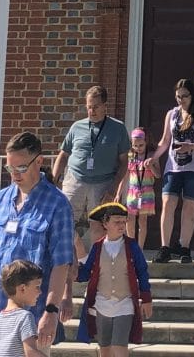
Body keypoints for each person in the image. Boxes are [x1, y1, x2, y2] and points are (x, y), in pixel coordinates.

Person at [0, 131, 75, 357]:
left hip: (30, 321)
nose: (14, 174)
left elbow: (61, 264)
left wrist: (51, 311)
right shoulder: (0, 200)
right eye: (9, 168)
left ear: (39, 161)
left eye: (21, 168)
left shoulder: (58, 204)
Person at [53, 86, 132, 262]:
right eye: (89, 106)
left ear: (105, 106)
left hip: (103, 182)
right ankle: (76, 257)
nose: (92, 110)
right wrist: (54, 179)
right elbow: (63, 155)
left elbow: (124, 163)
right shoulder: (77, 127)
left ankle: (96, 266)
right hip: (75, 179)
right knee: (64, 221)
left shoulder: (118, 129)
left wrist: (113, 188)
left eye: (96, 106)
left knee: (99, 225)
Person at [74, 201, 153, 357]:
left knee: (119, 346)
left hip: (124, 303)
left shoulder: (132, 246)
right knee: (105, 347)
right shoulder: (97, 247)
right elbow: (85, 274)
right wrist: (72, 271)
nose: (121, 225)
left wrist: (146, 298)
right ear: (106, 223)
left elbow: (142, 272)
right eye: (117, 221)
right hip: (101, 304)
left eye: (123, 222)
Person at [152, 77, 194, 263]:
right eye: (178, 96)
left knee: (190, 206)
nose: (181, 100)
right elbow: (165, 141)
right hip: (174, 166)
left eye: (185, 96)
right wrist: (153, 158)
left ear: (192, 96)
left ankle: (184, 247)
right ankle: (165, 246)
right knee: (168, 203)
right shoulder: (172, 115)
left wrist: (192, 147)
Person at [0, 260, 50, 357]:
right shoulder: (25, 317)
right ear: (22, 288)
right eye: (37, 286)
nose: (40, 292)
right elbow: (30, 352)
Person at [124, 127, 157, 248]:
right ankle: (131, 247)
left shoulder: (152, 155)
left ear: (146, 142)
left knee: (143, 221)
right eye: (135, 146)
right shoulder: (131, 156)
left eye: (141, 145)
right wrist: (118, 193)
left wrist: (151, 166)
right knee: (130, 219)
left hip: (146, 192)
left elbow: (158, 175)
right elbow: (125, 176)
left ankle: (140, 248)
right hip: (132, 192)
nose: (138, 148)